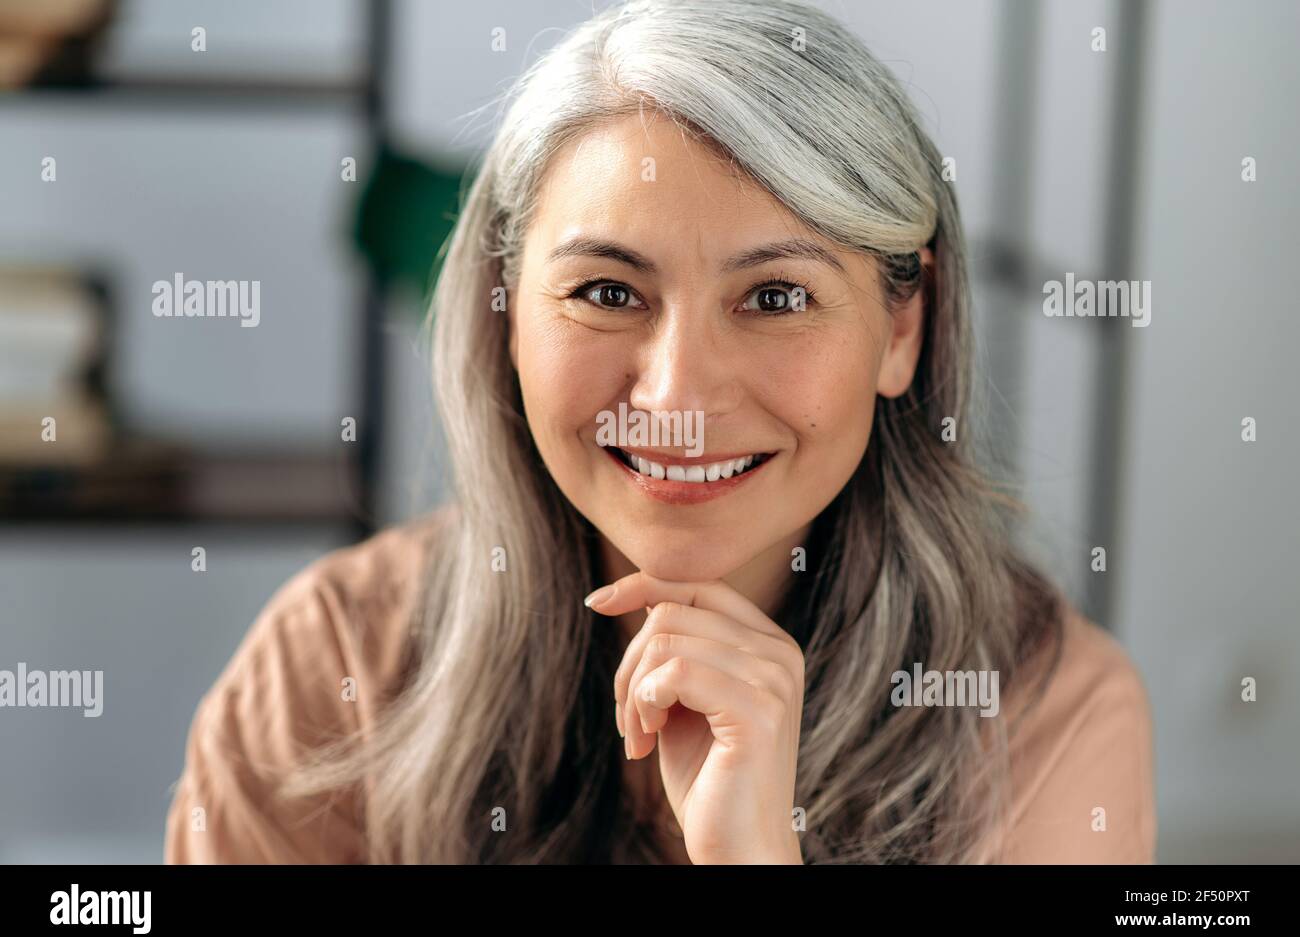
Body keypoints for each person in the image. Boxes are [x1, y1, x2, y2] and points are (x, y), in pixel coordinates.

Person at [165, 0, 1155, 864]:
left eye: (774, 295)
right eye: (606, 291)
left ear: (903, 327)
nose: (676, 389)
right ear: (505, 315)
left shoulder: (1047, 717)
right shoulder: (326, 666)